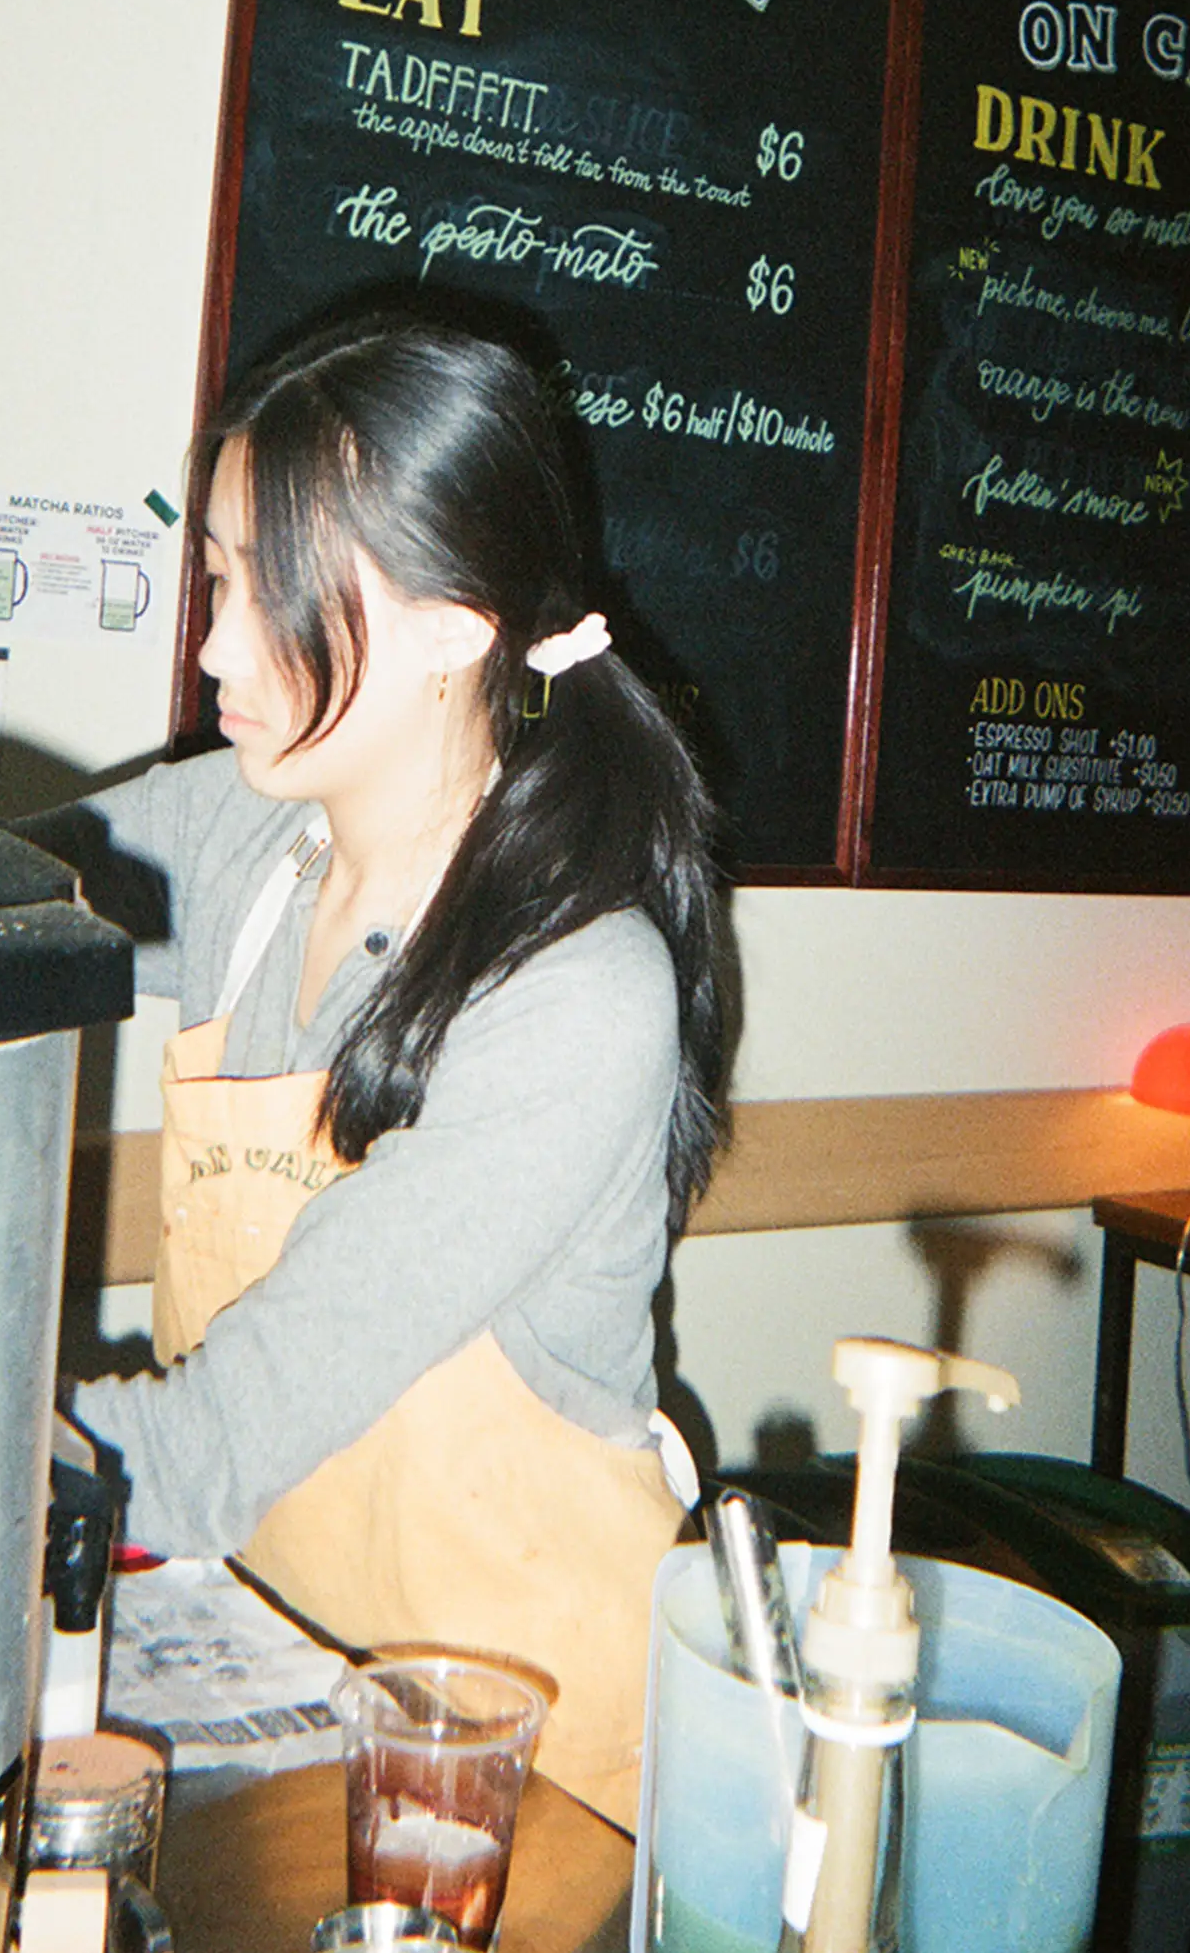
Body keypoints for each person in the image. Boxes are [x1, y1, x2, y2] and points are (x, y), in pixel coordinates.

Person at [44, 312, 732, 1827]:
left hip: (531, 1782)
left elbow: (230, 1428)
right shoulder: (245, 835)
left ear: (451, 628)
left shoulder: (579, 991)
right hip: (282, 1689)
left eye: (274, 592)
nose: (216, 645)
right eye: (220, 575)